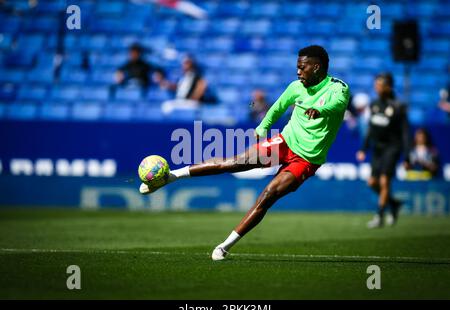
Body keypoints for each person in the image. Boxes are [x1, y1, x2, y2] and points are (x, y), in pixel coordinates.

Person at [140, 45, 350, 260]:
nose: (298, 72)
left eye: (302, 67)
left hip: (307, 159)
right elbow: (278, 107)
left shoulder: (338, 88)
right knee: (232, 163)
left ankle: (224, 246)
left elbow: (338, 105)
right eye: (297, 67)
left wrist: (320, 110)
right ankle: (171, 176)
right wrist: (263, 127)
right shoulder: (296, 86)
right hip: (285, 142)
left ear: (316, 67)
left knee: (268, 195)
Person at [356, 73, 410, 228]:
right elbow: (370, 129)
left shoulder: (398, 107)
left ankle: (379, 216)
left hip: (392, 147)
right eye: (376, 84)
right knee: (372, 182)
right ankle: (393, 204)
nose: (376, 87)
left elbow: (406, 133)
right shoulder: (374, 104)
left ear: (389, 87)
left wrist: (407, 157)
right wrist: (363, 148)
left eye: (380, 85)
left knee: (384, 180)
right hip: (378, 148)